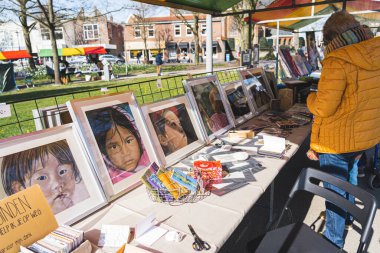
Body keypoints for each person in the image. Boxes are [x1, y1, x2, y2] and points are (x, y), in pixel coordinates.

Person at [306, 11, 380, 249]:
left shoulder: (338, 60)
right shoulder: (376, 51)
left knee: (335, 191)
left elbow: (324, 108)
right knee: (349, 178)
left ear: (332, 38)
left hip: (336, 140)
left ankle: (333, 241)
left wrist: (309, 99)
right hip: (364, 136)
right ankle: (347, 220)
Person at [1, 140, 89, 214]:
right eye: (42, 178)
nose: (57, 184)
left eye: (62, 171)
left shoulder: (85, 202)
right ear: (20, 189)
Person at [87, 105, 150, 184]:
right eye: (114, 146)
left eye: (128, 141)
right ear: (103, 152)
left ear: (138, 138)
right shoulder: (109, 183)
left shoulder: (152, 159)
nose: (125, 152)